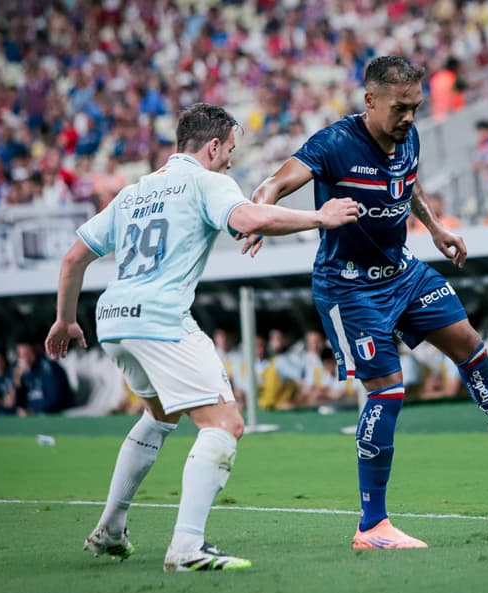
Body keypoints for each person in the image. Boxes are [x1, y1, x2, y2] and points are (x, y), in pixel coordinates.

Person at [243, 56, 488, 550]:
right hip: (349, 286)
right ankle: (372, 527)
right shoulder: (334, 144)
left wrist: (437, 227)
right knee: (388, 393)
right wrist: (265, 214)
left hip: (403, 271)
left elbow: (410, 184)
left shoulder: (409, 136)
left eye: (416, 107)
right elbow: (273, 183)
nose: (409, 117)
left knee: (470, 346)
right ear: (370, 101)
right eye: (399, 107)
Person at [44, 103, 359, 572]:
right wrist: (321, 216)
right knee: (225, 425)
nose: (231, 160)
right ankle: (187, 547)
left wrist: (66, 320)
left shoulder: (134, 191)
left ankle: (111, 528)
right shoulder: (207, 181)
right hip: (160, 317)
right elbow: (248, 220)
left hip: (112, 317)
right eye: (230, 150)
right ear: (213, 146)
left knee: (160, 414)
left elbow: (73, 259)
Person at [13, 340, 74, 415]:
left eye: (27, 354)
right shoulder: (23, 372)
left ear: (34, 351)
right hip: (35, 416)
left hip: (56, 416)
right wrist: (17, 381)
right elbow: (18, 405)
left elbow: (55, 401)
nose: (25, 359)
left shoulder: (49, 368)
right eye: (21, 356)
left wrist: (32, 411)